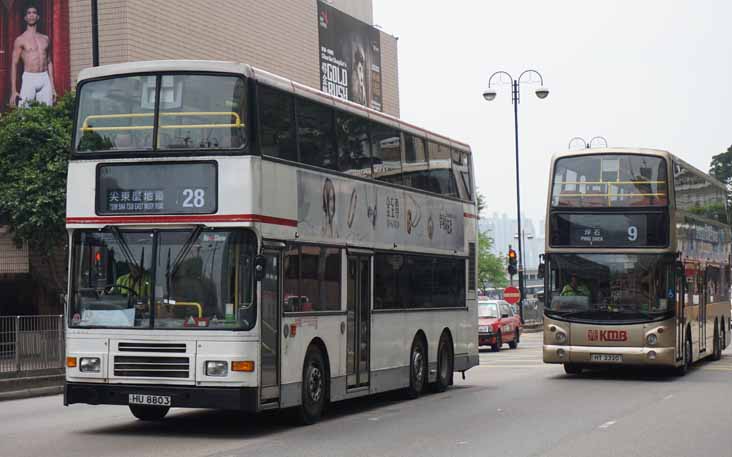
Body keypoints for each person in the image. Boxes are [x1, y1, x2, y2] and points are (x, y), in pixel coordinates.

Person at [9, 5, 56, 108]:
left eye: (34, 13)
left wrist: (52, 86)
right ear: (25, 18)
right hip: (29, 78)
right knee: (24, 113)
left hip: (44, 77)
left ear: (37, 17)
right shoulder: (20, 39)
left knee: (47, 112)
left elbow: (49, 62)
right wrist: (13, 90)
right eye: (29, 13)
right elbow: (14, 64)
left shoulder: (45, 39)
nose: (31, 15)